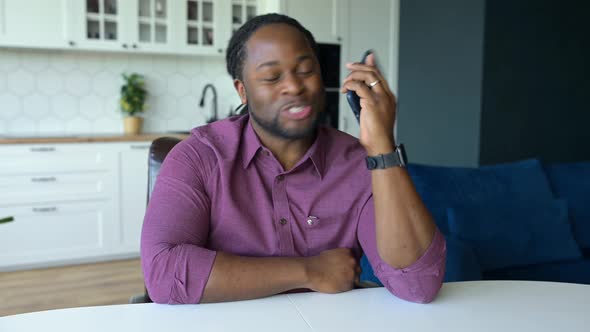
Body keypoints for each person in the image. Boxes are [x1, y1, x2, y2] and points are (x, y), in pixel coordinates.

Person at [141, 13, 446, 304]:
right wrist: (310, 271)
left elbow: (417, 285)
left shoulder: (358, 162)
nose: (294, 86)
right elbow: (164, 274)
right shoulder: (199, 157)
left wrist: (382, 147)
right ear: (242, 91)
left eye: (305, 70)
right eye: (272, 77)